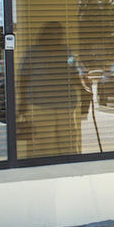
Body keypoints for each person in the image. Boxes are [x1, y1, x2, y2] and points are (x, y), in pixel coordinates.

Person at [17, 22, 88, 157]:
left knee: (68, 143)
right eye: (52, 33)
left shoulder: (67, 53)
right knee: (44, 145)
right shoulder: (32, 53)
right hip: (40, 105)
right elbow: (23, 78)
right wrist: (23, 102)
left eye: (58, 34)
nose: (55, 36)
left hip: (65, 105)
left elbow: (75, 74)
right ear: (44, 35)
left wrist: (85, 90)